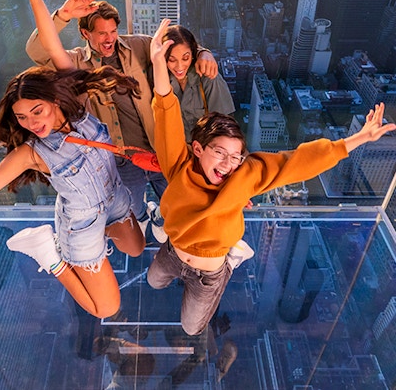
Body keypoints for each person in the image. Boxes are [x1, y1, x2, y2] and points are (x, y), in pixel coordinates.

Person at [147, 18, 396, 336]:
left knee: (192, 328)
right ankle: (175, 255)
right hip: (173, 250)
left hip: (209, 272)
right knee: (153, 280)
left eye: (236, 156)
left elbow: (297, 162)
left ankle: (228, 263)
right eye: (220, 153)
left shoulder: (244, 176)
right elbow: (165, 109)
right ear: (197, 148)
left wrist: (356, 139)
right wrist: (157, 63)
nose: (228, 164)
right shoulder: (178, 164)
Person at [0, 0, 146, 320]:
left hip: (114, 196)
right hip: (82, 224)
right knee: (107, 308)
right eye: (22, 118)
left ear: (54, 100)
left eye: (37, 111)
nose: (32, 123)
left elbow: (51, 43)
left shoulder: (77, 101)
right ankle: (49, 253)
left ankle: (101, 233)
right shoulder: (32, 153)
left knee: (137, 247)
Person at [24, 0, 218, 233]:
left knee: (179, 201)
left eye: (113, 31)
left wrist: (204, 52)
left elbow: (178, 46)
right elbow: (36, 51)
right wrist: (63, 15)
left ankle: (163, 220)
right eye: (101, 33)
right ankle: (145, 219)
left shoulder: (139, 45)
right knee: (132, 208)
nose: (109, 39)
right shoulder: (75, 62)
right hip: (122, 159)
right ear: (85, 33)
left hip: (160, 148)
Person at [162, 24, 235, 143]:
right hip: (174, 149)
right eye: (172, 60)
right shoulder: (159, 79)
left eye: (185, 58)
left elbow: (225, 126)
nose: (179, 66)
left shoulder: (207, 77)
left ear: (193, 54)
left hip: (205, 149)